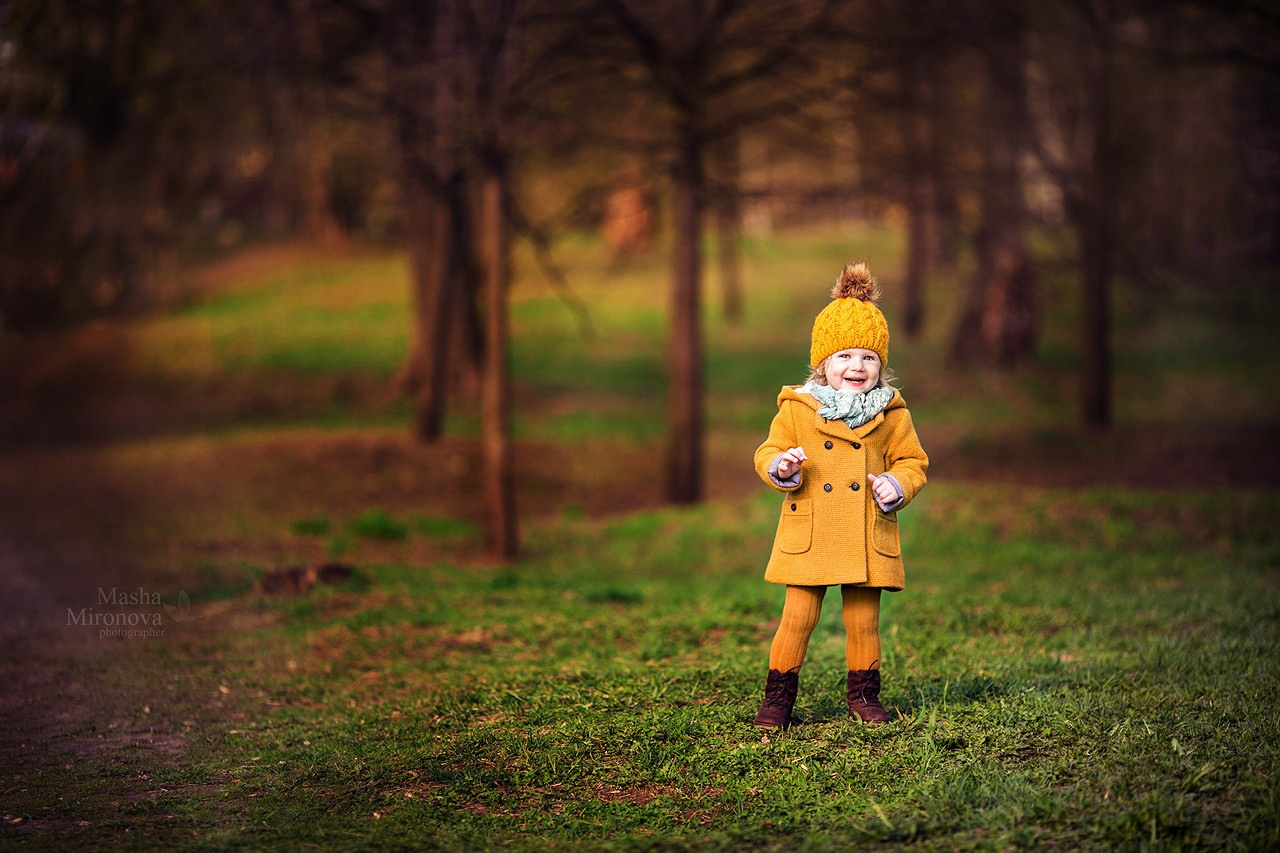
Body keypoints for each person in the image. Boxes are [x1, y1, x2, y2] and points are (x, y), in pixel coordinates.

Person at [752, 261, 928, 729]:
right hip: (811, 531)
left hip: (865, 533)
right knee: (797, 618)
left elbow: (912, 462)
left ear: (881, 366)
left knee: (863, 622)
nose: (857, 366)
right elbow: (768, 451)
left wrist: (897, 484)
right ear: (823, 364)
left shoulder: (892, 414)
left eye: (869, 357)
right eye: (845, 356)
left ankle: (864, 697)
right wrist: (781, 466)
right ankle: (778, 699)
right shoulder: (798, 409)